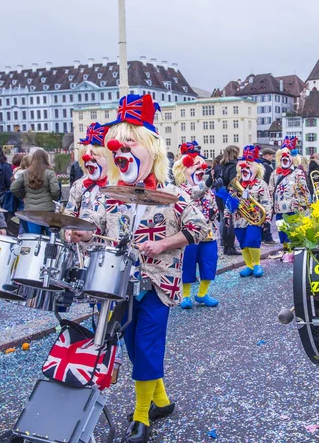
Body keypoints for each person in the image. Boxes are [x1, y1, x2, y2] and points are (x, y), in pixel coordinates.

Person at [69, 94, 209, 443]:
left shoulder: (173, 193)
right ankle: (160, 401)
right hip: (118, 284)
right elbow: (93, 228)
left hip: (157, 284)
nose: (120, 149)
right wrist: (78, 231)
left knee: (146, 346)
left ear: (151, 149)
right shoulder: (108, 195)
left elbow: (201, 228)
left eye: (131, 142)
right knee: (131, 346)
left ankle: (142, 415)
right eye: (118, 144)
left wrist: (162, 244)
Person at [173, 141, 220, 309]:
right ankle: (185, 295)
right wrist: (207, 184)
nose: (200, 171)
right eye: (195, 167)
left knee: (209, 263)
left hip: (209, 233)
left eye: (201, 168)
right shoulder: (180, 190)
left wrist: (215, 211)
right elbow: (193, 193)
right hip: (189, 236)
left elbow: (213, 206)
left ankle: (202, 294)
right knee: (187, 265)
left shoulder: (207, 190)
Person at [224, 145, 272, 277]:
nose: (245, 169)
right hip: (239, 219)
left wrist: (266, 220)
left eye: (248, 166)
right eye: (243, 167)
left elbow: (266, 202)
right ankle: (248, 265)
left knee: (252, 241)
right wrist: (227, 216)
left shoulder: (260, 183)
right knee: (243, 243)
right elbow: (229, 201)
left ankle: (257, 264)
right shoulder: (236, 184)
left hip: (255, 219)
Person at [65, 123, 117, 236]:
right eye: (85, 154)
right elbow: (70, 212)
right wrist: (68, 229)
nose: (87, 158)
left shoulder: (118, 188)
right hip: (81, 249)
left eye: (94, 154)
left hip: (107, 249)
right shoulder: (78, 185)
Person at [268, 137, 310, 259]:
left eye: (287, 155)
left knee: (293, 231)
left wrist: (304, 207)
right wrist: (271, 206)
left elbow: (305, 191)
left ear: (293, 158)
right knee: (281, 230)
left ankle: (294, 250)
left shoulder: (298, 173)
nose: (284, 157)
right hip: (279, 209)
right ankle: (286, 250)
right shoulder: (274, 173)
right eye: (282, 155)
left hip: (294, 209)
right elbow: (270, 190)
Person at [10, 149, 60, 234]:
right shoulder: (50, 173)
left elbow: (13, 188)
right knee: (52, 238)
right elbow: (56, 190)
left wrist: (23, 195)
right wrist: (52, 198)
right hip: (48, 211)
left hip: (31, 211)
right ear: (46, 159)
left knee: (34, 238)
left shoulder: (25, 173)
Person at [219, 146, 241, 255]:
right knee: (231, 221)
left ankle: (226, 245)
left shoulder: (223, 165)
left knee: (225, 219)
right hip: (231, 195)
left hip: (224, 194)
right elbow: (234, 182)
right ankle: (230, 247)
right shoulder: (233, 166)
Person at [258, 147, 278, 244]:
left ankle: (262, 236)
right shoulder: (267, 167)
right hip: (265, 194)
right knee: (267, 215)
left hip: (259, 193)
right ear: (267, 155)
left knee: (261, 215)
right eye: (271, 156)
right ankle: (268, 237)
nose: (272, 158)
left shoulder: (259, 164)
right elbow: (271, 182)